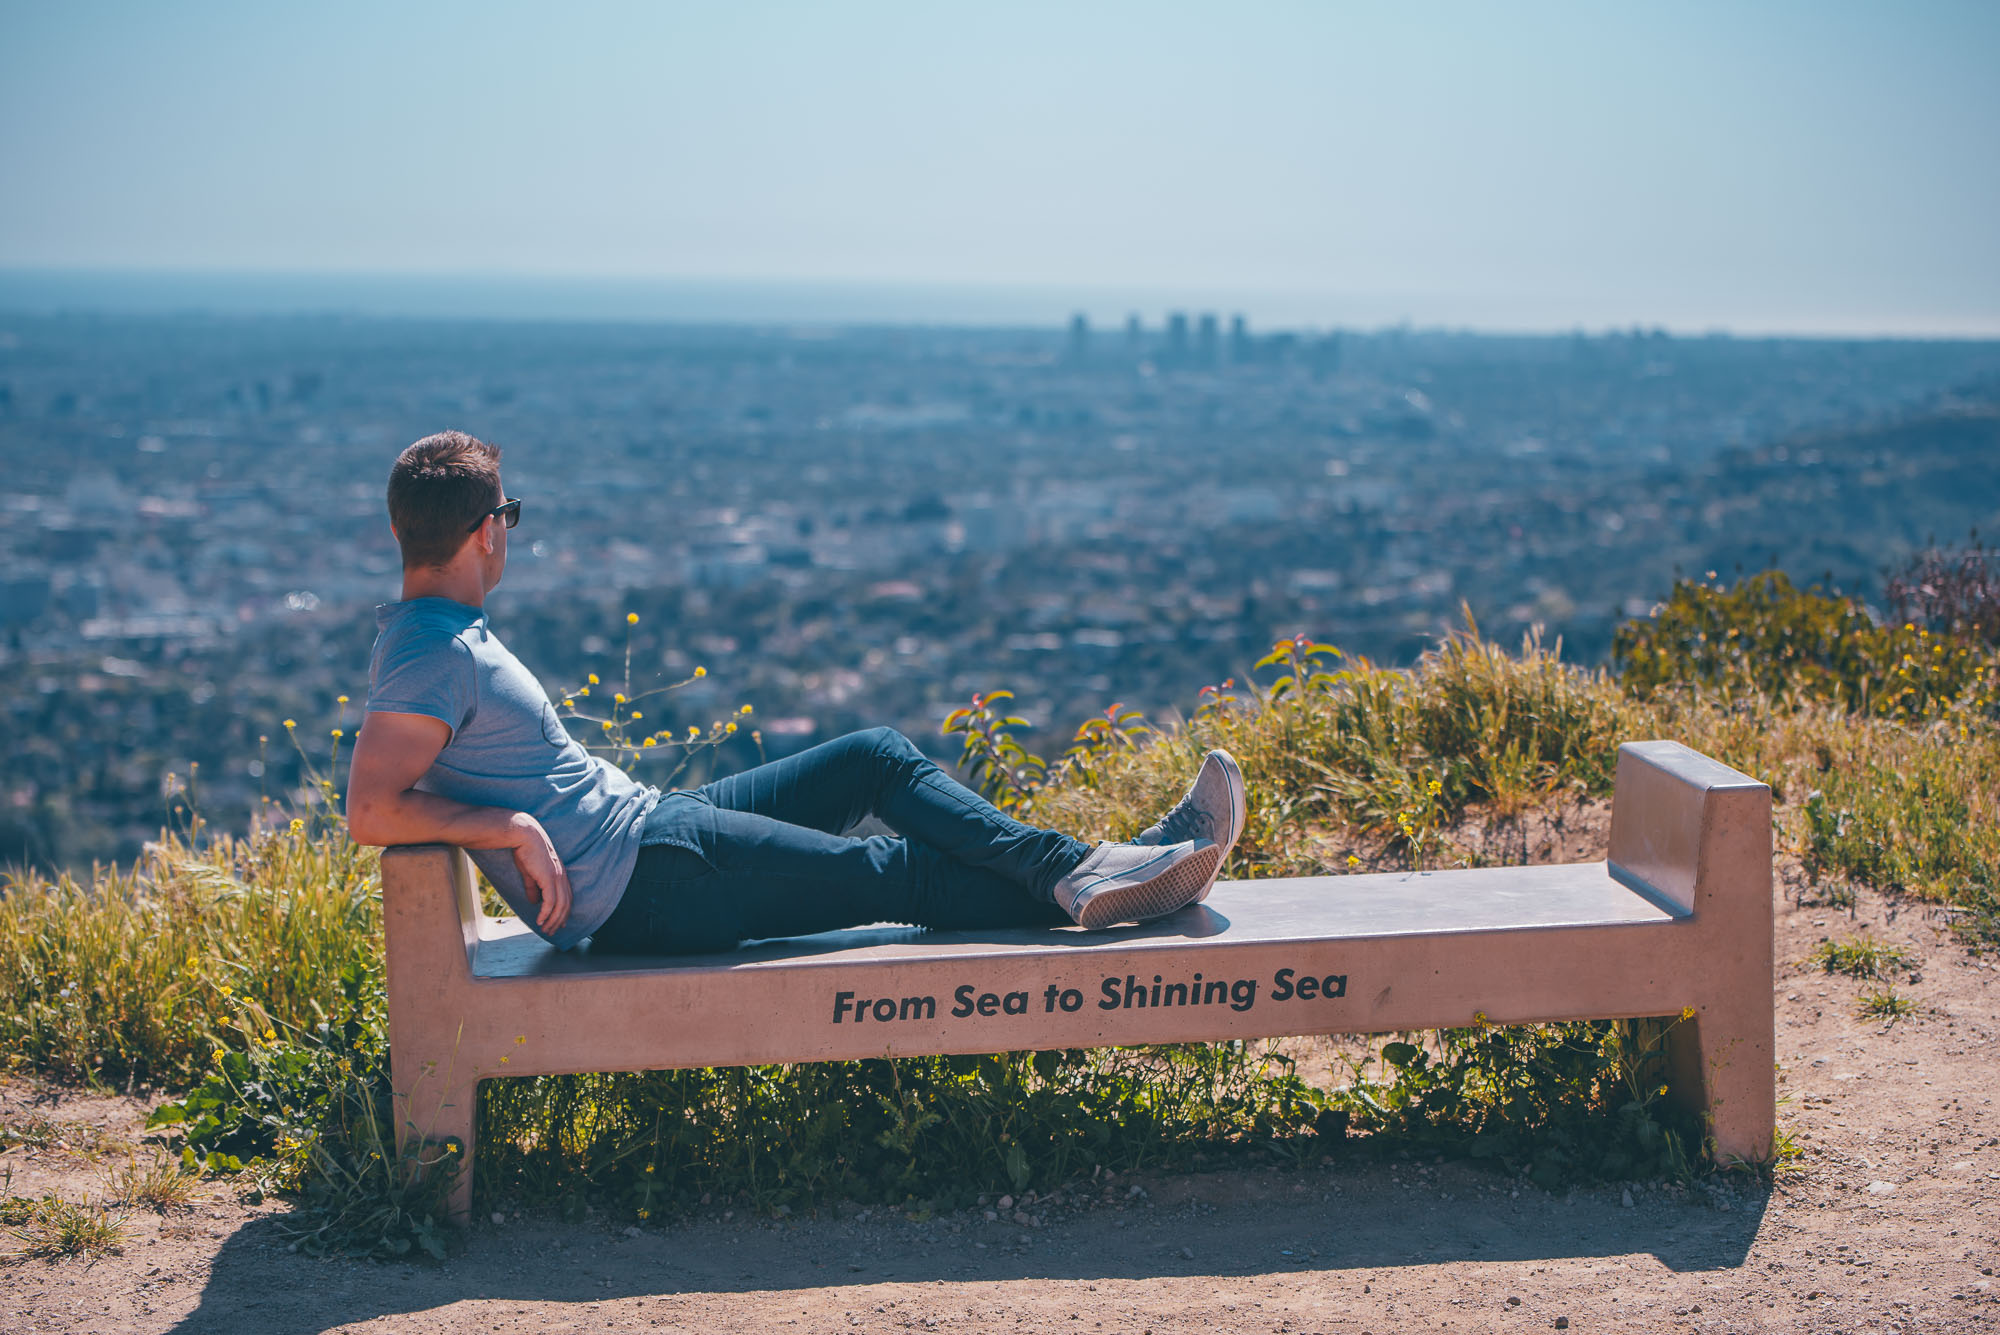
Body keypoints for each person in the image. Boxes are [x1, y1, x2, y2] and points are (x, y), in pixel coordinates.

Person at [345, 431, 1246, 956]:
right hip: (642, 882)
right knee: (900, 875)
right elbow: (371, 807)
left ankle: (1090, 868)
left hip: (653, 827)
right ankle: (1111, 874)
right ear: (483, 533)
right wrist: (502, 827)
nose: (509, 532)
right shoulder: (431, 654)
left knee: (874, 758)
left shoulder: (433, 635)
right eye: (507, 515)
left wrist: (509, 822)